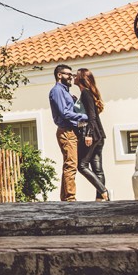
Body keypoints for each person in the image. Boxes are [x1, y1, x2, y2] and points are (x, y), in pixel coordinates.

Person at [49, 64, 89, 201]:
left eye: (72, 75)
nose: (71, 77)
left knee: (68, 164)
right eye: (68, 74)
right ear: (59, 75)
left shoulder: (65, 92)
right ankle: (71, 198)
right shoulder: (57, 91)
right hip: (66, 131)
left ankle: (65, 198)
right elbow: (64, 113)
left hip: (70, 131)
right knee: (71, 165)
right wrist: (84, 117)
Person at [75, 68, 110, 201]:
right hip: (100, 135)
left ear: (82, 78)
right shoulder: (87, 94)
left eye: (76, 75)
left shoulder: (85, 93)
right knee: (98, 169)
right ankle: (100, 198)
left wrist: (88, 134)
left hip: (93, 134)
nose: (73, 76)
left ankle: (103, 190)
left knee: (82, 166)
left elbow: (92, 116)